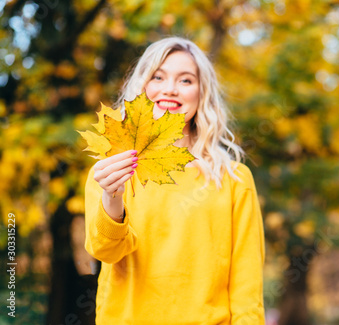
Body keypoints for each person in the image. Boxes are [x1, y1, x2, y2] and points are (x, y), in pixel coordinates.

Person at [84, 37, 265, 324]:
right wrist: (112, 197)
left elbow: (247, 283)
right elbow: (105, 251)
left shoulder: (233, 179)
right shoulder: (111, 169)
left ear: (201, 93)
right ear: (142, 86)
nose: (170, 89)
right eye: (158, 76)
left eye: (185, 80)